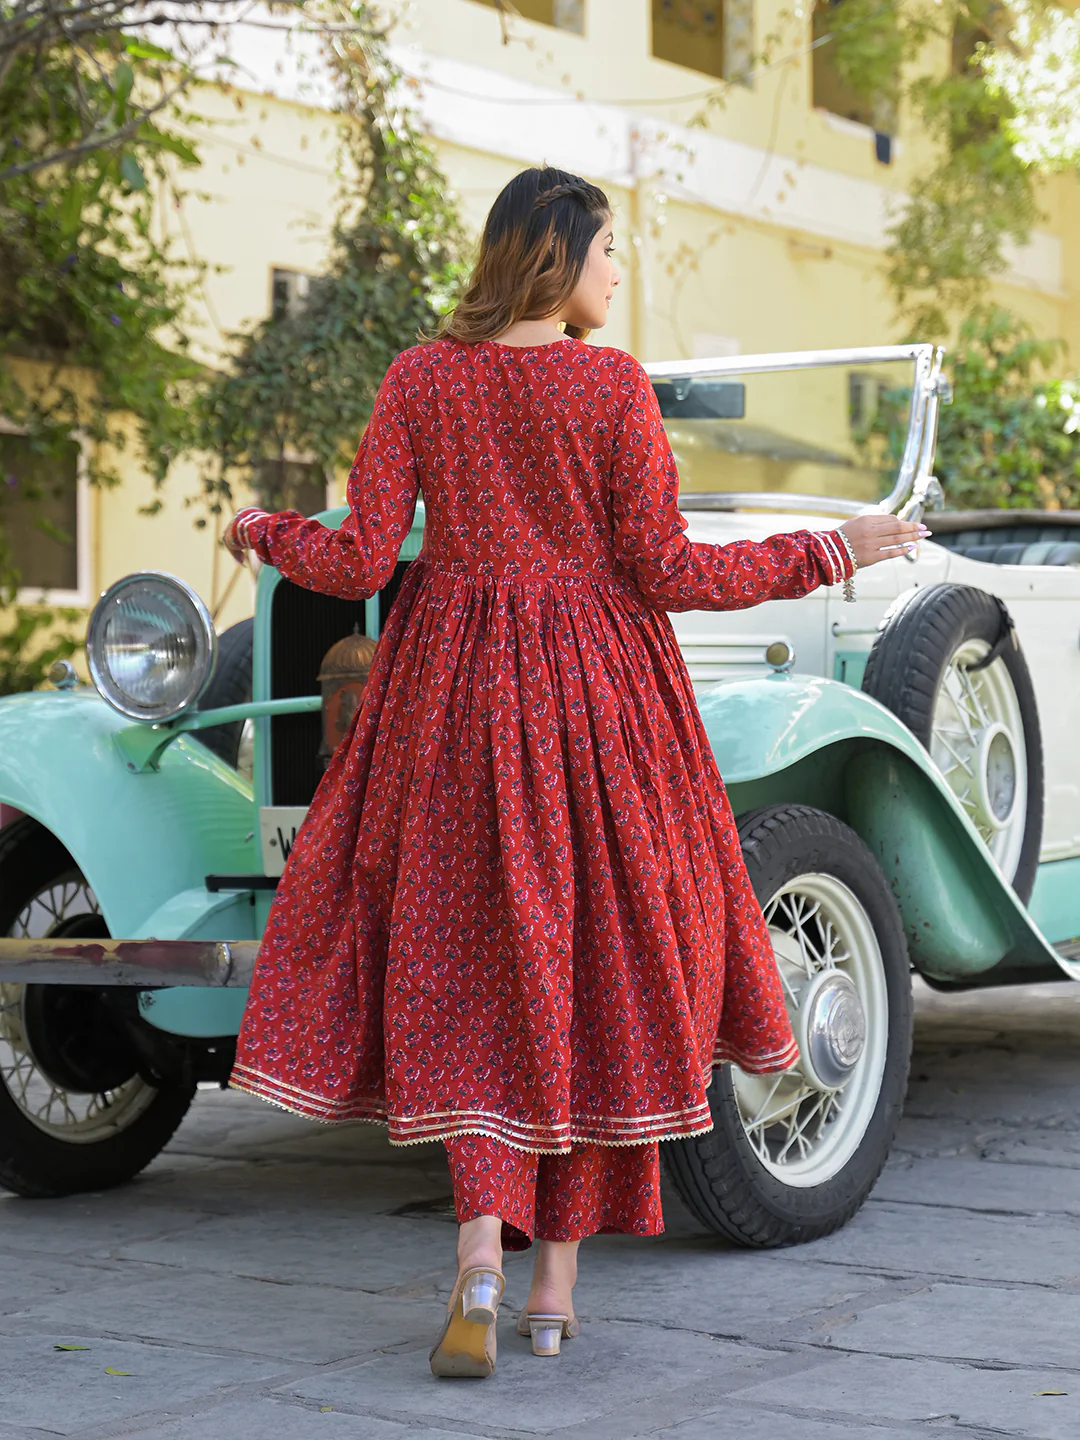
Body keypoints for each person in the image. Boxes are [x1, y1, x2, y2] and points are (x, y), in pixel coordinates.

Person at [223, 165, 924, 1379]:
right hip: (597, 709)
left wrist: (259, 531)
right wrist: (832, 547)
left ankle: (477, 1265)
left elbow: (356, 561)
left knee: (469, 968)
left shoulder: (420, 377)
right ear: (554, 254)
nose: (617, 270)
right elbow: (667, 569)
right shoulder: (608, 388)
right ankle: (553, 1295)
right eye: (607, 250)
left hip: (448, 705)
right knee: (595, 972)